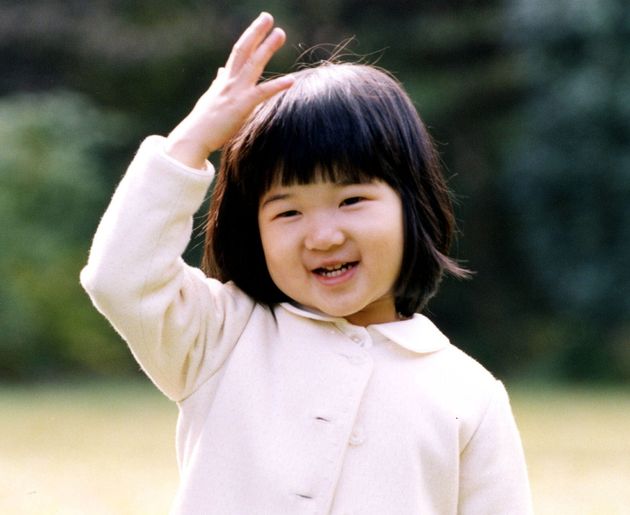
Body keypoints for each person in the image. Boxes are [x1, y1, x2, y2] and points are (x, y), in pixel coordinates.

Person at [81, 12, 532, 515]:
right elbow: (120, 278)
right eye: (289, 211)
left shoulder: (468, 395)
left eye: (352, 200)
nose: (323, 235)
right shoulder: (218, 336)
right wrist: (192, 141)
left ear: (413, 203)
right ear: (255, 229)